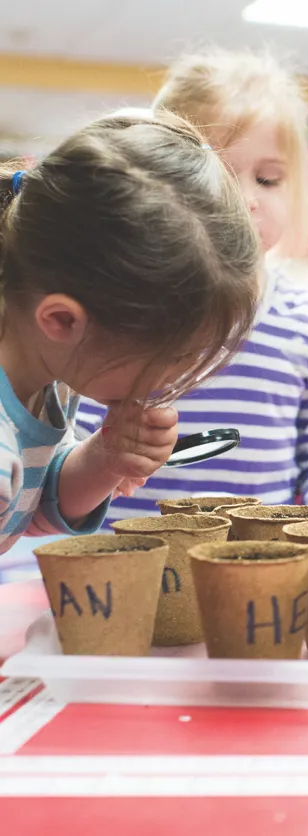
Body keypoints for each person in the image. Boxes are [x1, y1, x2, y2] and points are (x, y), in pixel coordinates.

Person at [76, 49, 308, 521]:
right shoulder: (126, 316)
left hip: (261, 571)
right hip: (139, 569)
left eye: (268, 179)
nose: (248, 200)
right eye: (222, 176)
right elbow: (70, 457)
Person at [0, 111, 259, 552]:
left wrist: (104, 458)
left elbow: (29, 507)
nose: (167, 385)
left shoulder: (51, 377)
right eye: (167, 362)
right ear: (63, 321)